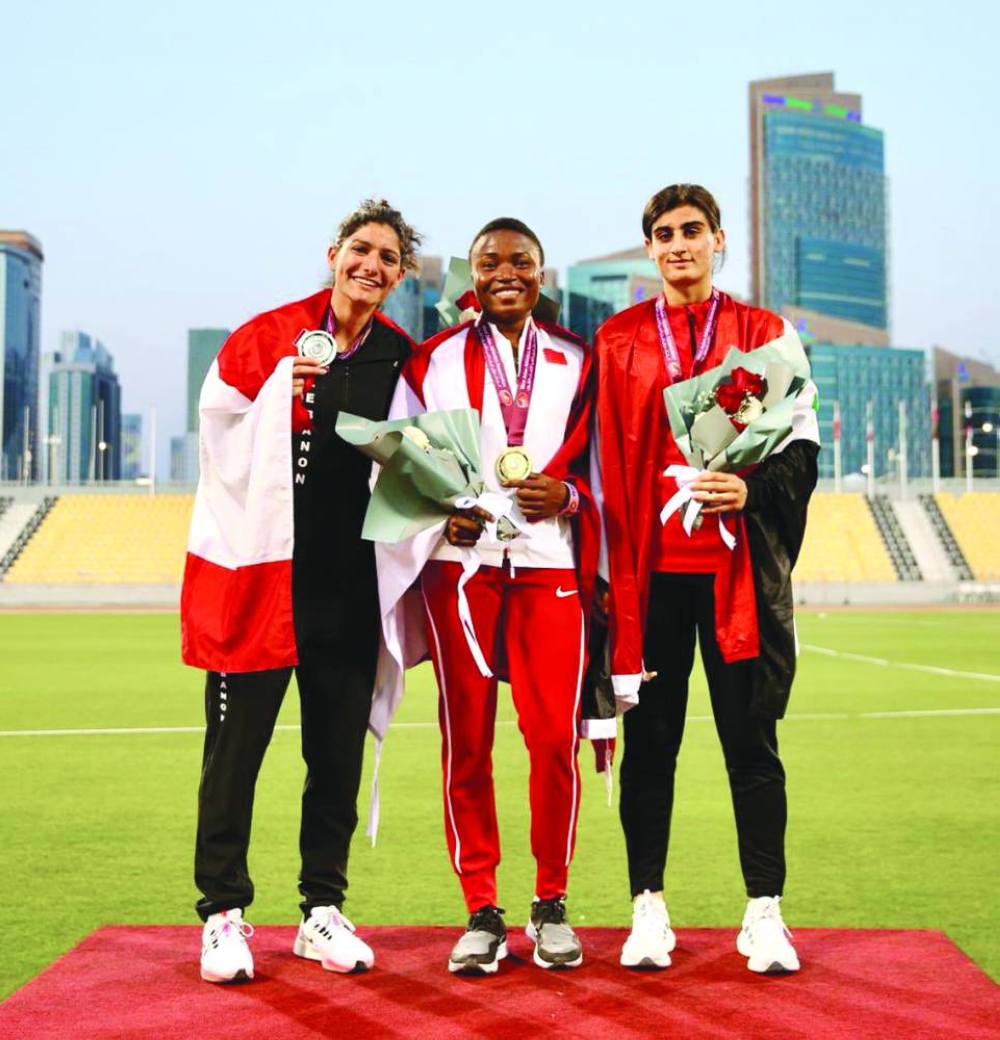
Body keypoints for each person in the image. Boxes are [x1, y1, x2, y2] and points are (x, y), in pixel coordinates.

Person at [180, 198, 420, 983]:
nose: (371, 265)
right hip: (262, 582)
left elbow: (414, 461)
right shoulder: (267, 334)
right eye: (361, 248)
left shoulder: (398, 355)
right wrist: (282, 399)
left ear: (400, 273)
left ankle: (322, 909)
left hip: (348, 589)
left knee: (336, 758)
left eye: (388, 256)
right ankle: (222, 915)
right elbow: (214, 434)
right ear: (332, 252)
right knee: (234, 755)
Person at [595, 184, 819, 974]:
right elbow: (592, 458)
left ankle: (764, 912)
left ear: (719, 240)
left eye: (692, 230)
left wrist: (750, 491)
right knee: (650, 746)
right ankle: (647, 908)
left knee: (751, 744)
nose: (678, 243)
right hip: (649, 579)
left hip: (738, 578)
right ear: (649, 249)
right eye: (663, 233)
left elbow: (801, 449)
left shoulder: (766, 333)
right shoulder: (617, 338)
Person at [383, 218, 598, 974]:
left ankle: (551, 902)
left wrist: (568, 496)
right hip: (460, 568)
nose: (505, 272)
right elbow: (405, 461)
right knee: (466, 741)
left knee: (551, 741)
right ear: (472, 276)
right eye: (489, 262)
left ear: (543, 273)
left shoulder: (578, 358)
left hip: (549, 566)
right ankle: (480, 906)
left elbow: (602, 467)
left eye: (521, 261)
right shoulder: (433, 359)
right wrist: (448, 509)